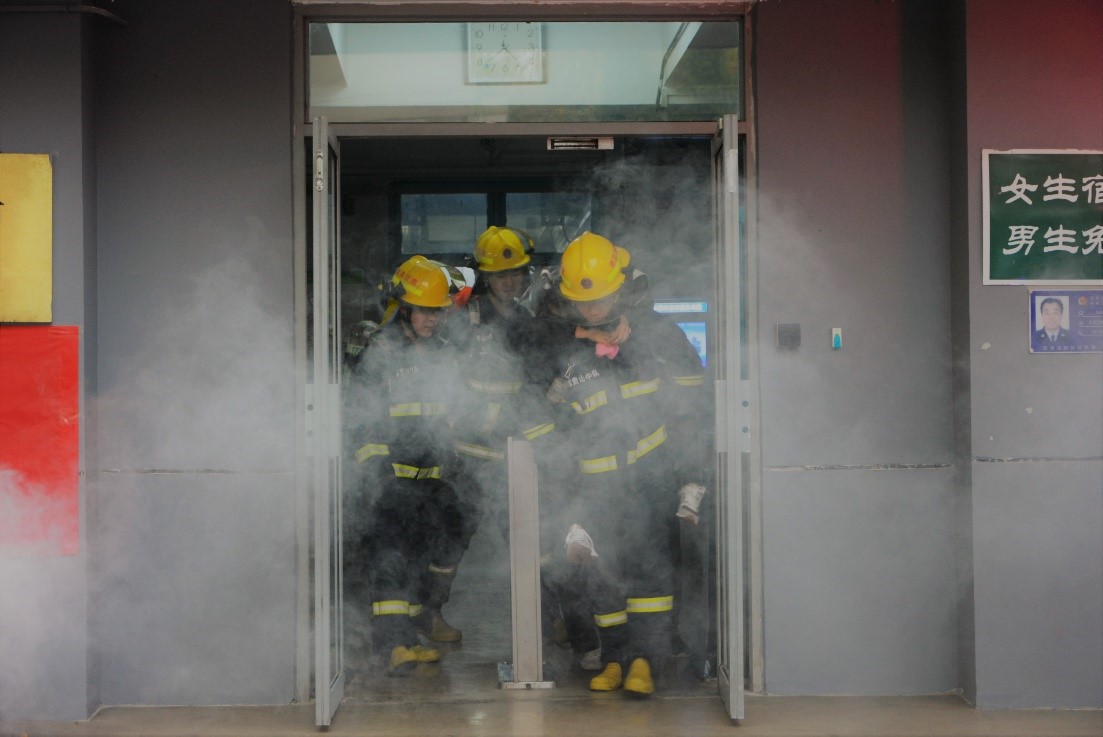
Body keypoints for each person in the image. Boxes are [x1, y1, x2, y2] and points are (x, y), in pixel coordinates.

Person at [524, 231, 709, 697]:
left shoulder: (653, 333)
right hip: (593, 486)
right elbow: (529, 361)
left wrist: (691, 476)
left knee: (650, 574)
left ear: (621, 289)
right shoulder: (560, 345)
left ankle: (645, 662)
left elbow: (693, 402)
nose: (592, 309)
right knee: (601, 578)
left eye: (601, 299)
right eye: (582, 303)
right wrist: (564, 505)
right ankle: (614, 659)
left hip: (649, 481)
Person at [350, 255, 470, 674]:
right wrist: (377, 477)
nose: (431, 319)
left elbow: (451, 412)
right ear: (403, 308)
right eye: (423, 311)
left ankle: (414, 629)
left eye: (436, 311)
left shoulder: (443, 354)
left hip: (431, 480)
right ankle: (393, 646)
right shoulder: (380, 352)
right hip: (389, 482)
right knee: (390, 559)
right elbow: (360, 419)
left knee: (437, 544)